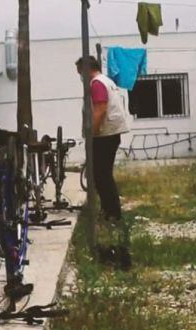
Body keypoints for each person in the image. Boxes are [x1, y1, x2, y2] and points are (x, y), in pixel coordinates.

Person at [76, 56, 129, 221]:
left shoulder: (97, 83)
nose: (80, 77)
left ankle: (111, 213)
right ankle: (110, 210)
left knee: (101, 175)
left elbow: (100, 109)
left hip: (104, 134)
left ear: (87, 69)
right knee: (103, 174)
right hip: (110, 133)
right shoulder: (107, 81)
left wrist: (93, 132)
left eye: (80, 72)